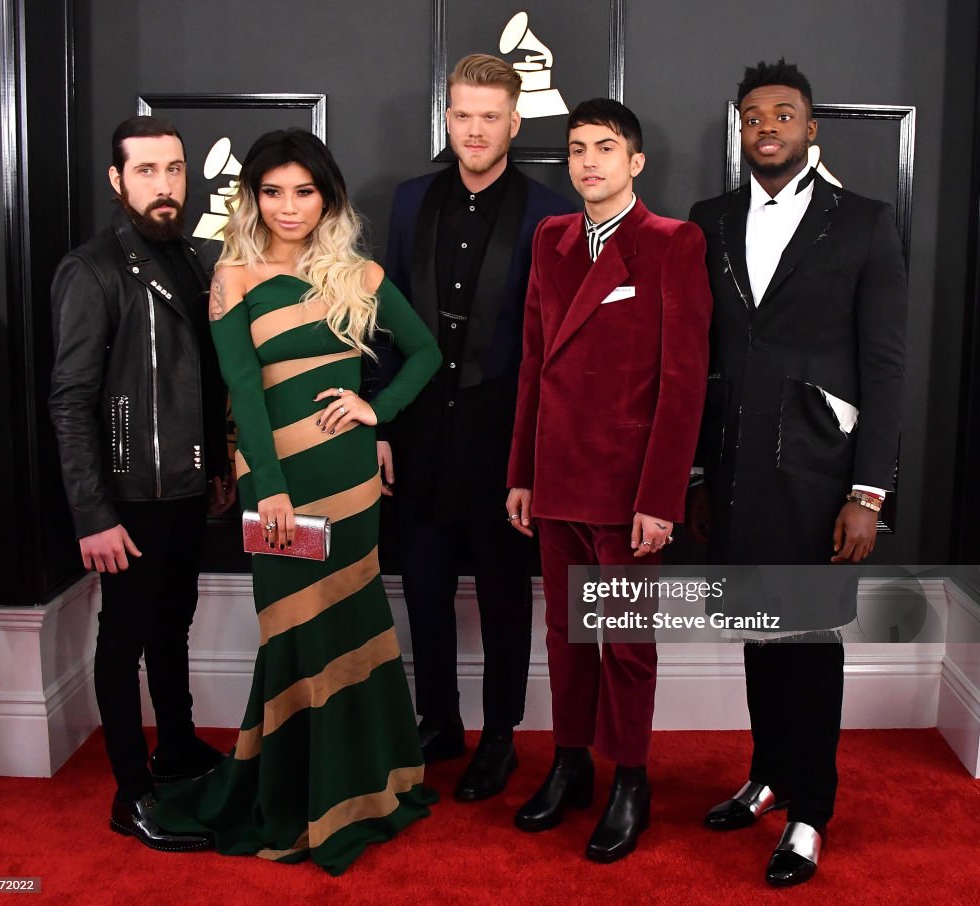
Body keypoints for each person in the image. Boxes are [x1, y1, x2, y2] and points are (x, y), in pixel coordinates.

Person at [152, 128, 442, 875]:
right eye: (273, 191)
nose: (288, 206)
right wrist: (271, 487)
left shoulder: (360, 275)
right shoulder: (234, 277)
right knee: (292, 633)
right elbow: (242, 390)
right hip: (275, 483)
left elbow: (427, 354)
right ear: (252, 198)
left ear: (328, 197)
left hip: (348, 481)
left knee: (352, 618)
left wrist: (377, 409)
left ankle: (364, 793)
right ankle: (293, 793)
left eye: (304, 191)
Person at [687, 60, 907, 887]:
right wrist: (702, 475)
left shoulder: (864, 222)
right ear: (740, 131)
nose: (766, 126)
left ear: (811, 130)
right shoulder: (707, 221)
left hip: (822, 475)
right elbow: (706, 358)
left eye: (783, 114)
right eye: (752, 116)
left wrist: (869, 492)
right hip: (735, 469)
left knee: (807, 643)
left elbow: (884, 368)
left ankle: (811, 809)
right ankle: (769, 774)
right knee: (756, 631)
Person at [506, 98, 712, 862]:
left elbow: (684, 382)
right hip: (555, 475)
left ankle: (631, 779)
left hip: (628, 489)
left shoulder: (671, 243)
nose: (589, 161)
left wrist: (661, 498)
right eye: (577, 149)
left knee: (624, 641)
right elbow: (533, 362)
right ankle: (569, 764)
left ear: (636, 162)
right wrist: (521, 471)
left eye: (606, 148)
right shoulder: (551, 238)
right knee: (565, 636)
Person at [380, 53, 572, 800]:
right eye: (463, 114)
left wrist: (534, 453)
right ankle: (439, 721)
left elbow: (555, 343)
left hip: (503, 432)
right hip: (421, 428)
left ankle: (499, 736)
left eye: (490, 116)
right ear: (447, 117)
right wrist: (383, 424)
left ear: (514, 122)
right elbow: (383, 319)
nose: (475, 129)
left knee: (501, 594)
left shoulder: (548, 212)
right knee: (423, 586)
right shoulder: (406, 202)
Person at [49, 115, 234, 852]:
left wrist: (216, 467)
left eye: (175, 170)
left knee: (174, 624)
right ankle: (131, 794)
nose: (165, 186)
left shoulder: (195, 258)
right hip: (126, 497)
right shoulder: (90, 270)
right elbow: (70, 399)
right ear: (117, 180)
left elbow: (206, 376)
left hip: (186, 489)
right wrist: (92, 513)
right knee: (123, 639)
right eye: (148, 171)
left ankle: (178, 747)